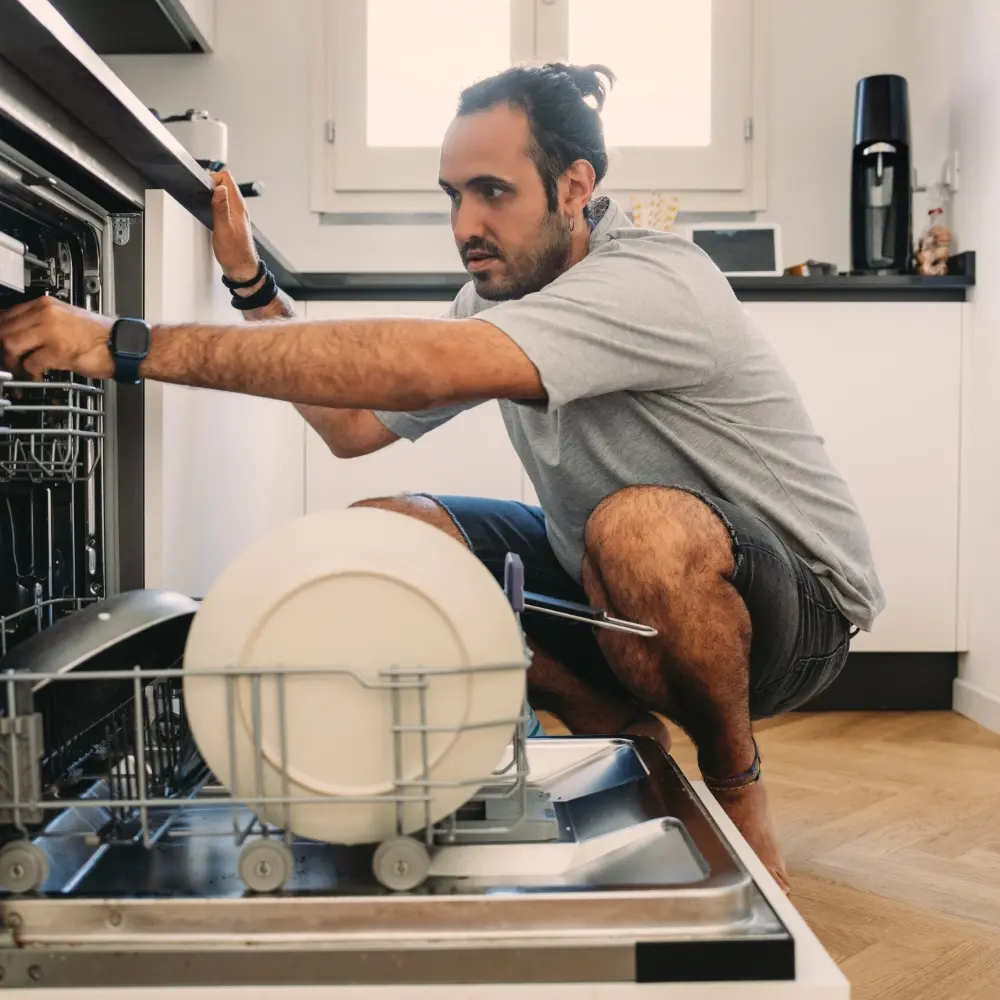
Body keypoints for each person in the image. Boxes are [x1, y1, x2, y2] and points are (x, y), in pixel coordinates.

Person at [0, 63, 884, 890]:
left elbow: (421, 363)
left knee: (636, 526)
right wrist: (248, 280)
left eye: (492, 192)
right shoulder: (496, 294)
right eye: (454, 195)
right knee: (391, 533)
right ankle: (617, 728)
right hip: (612, 585)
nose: (465, 225)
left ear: (575, 186)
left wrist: (125, 343)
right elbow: (352, 427)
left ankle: (735, 779)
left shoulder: (657, 279)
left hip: (791, 616)